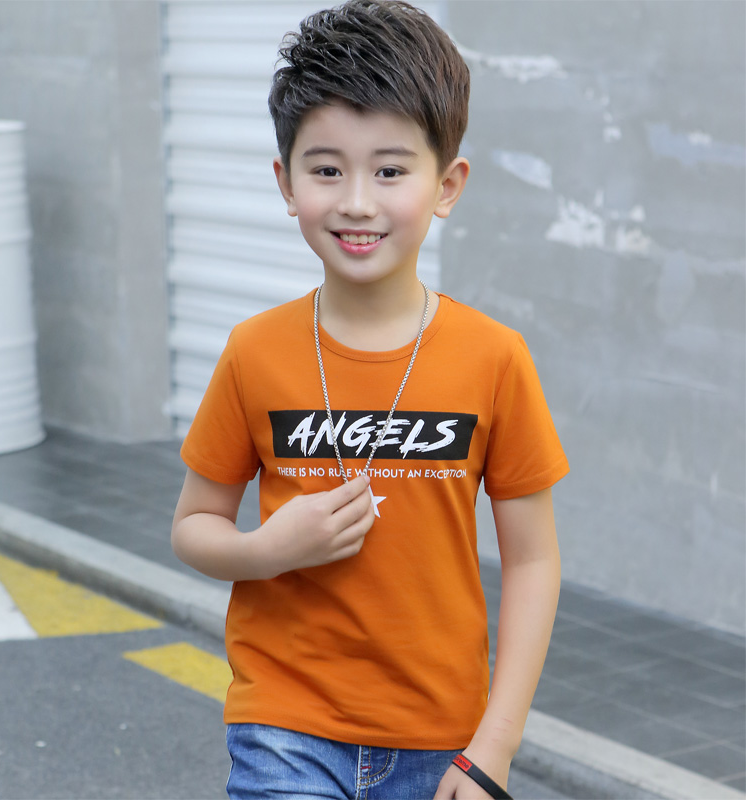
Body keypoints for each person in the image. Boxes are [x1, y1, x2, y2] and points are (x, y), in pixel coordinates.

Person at [171, 1, 569, 797]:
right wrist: (267, 550)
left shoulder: (494, 358)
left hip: (442, 739)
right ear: (286, 184)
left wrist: (494, 747)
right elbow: (193, 527)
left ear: (446, 185)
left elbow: (533, 560)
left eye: (390, 171)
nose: (357, 201)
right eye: (327, 170)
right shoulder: (255, 350)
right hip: (283, 725)